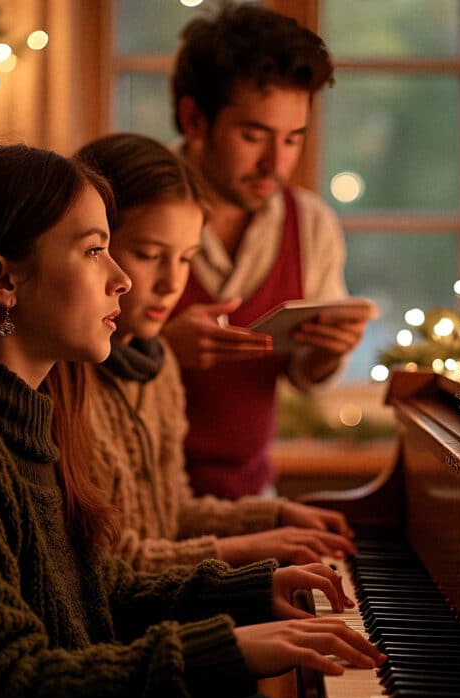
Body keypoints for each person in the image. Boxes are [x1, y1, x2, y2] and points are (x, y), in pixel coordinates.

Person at [0, 143, 386, 698]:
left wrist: (246, 594)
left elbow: (88, 589)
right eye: (91, 250)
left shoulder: (27, 416)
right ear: (2, 280)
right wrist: (230, 652)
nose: (124, 280)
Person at [75, 131, 359, 572]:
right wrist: (255, 547)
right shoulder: (68, 382)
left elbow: (172, 513)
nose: (174, 283)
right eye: (150, 254)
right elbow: (111, 564)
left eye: (187, 258)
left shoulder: (158, 366)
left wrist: (275, 516)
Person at [164, 1, 377, 500]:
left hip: (253, 494)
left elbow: (305, 377)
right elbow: (68, 373)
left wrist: (326, 355)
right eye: (253, 135)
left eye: (292, 139)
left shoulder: (311, 224)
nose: (274, 164)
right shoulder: (126, 208)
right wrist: (158, 351)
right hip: (136, 503)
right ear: (194, 119)